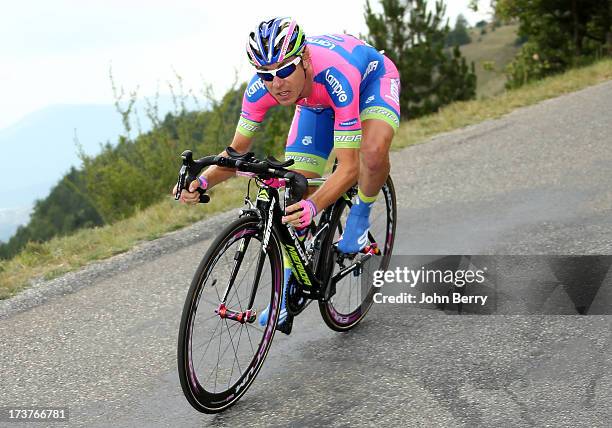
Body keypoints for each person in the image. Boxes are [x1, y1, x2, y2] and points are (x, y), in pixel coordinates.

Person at [176, 17, 401, 329]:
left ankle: (360, 217)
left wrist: (314, 207)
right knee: (298, 185)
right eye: (266, 75)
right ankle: (287, 290)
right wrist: (202, 181)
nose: (276, 83)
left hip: (364, 85)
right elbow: (235, 153)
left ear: (305, 59)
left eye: (284, 71)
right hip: (313, 104)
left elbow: (349, 169)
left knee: (372, 153)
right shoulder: (261, 89)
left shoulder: (336, 74)